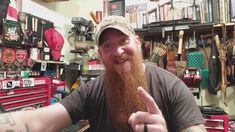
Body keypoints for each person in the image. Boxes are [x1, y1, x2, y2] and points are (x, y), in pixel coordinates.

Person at [0, 16, 206, 132]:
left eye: (123, 41)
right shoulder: (92, 90)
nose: (117, 51)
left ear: (137, 41)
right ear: (100, 54)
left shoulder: (172, 87)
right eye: (108, 46)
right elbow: (40, 121)